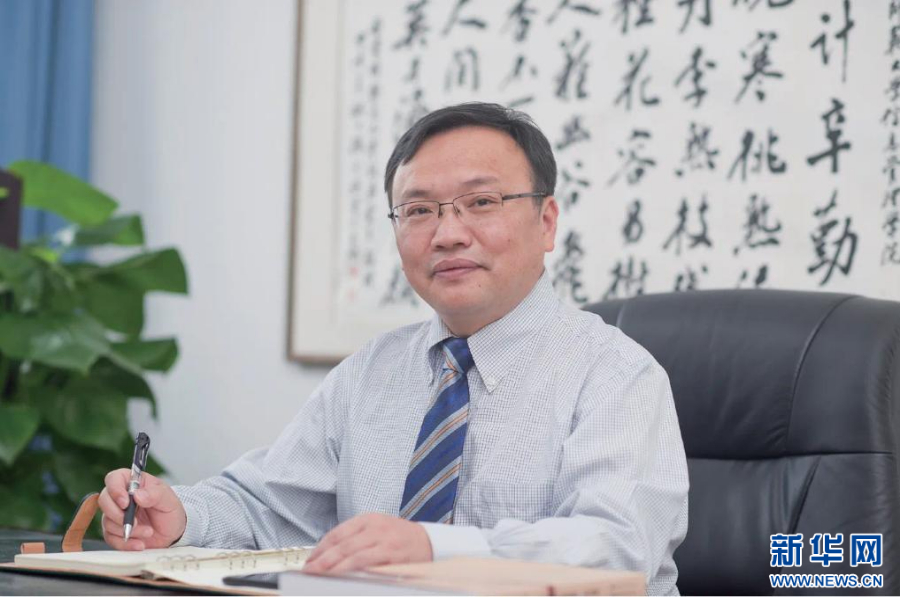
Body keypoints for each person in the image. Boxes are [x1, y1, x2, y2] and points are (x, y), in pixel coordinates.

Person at [98, 102, 689, 595]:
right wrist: (182, 516)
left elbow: (617, 547)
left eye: (481, 202)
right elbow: (270, 506)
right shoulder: (372, 371)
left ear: (547, 221)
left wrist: (434, 548)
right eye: (419, 211)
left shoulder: (615, 374)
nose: (448, 233)